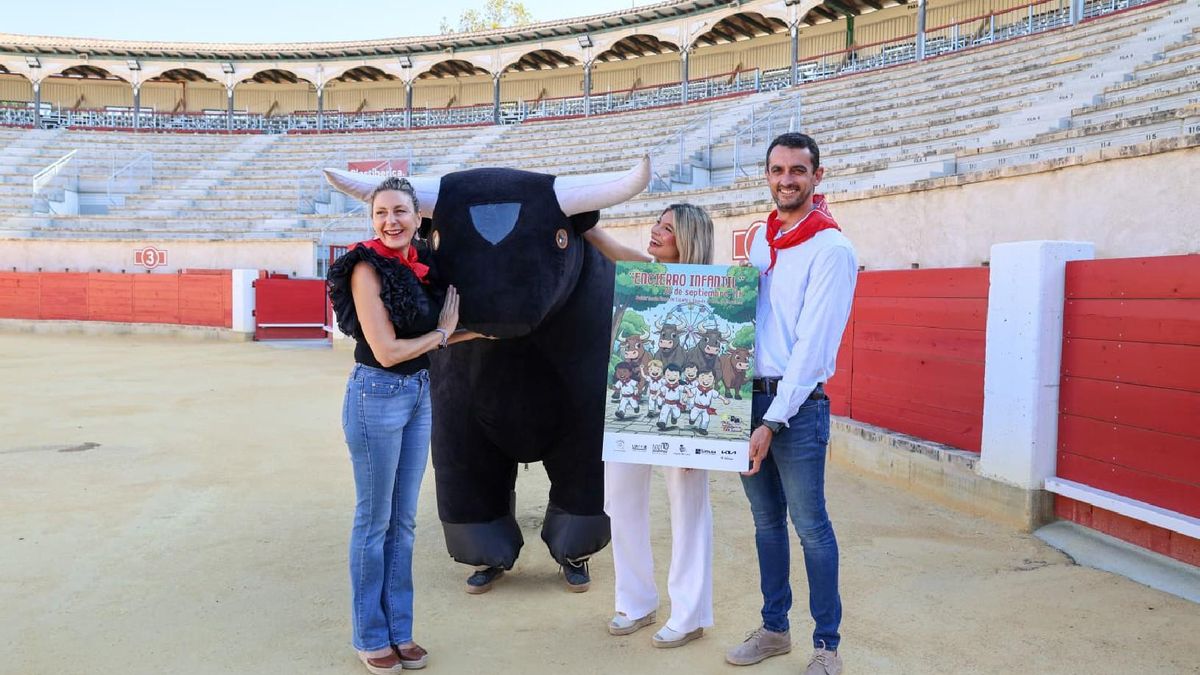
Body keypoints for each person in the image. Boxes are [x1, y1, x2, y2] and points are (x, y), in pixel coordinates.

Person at [326, 176, 481, 674]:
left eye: (400, 212)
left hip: (418, 395)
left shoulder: (416, 267)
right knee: (375, 522)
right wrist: (442, 333)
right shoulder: (366, 268)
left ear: (418, 219)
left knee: (405, 522)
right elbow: (390, 351)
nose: (390, 221)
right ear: (372, 220)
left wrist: (486, 330)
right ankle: (370, 635)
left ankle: (400, 631)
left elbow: (437, 338)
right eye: (381, 213)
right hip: (377, 393)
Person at [724, 133, 857, 675]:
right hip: (746, 398)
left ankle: (826, 646)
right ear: (767, 175)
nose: (786, 180)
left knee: (811, 526)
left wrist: (773, 420)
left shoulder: (832, 248)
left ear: (817, 177)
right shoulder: (762, 240)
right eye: (777, 170)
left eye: (798, 171)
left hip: (793, 408)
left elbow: (812, 347)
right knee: (765, 524)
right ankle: (775, 630)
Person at [584, 203, 717, 649]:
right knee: (620, 498)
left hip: (683, 408)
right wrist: (574, 218)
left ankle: (690, 613)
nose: (656, 232)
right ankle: (635, 601)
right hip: (633, 404)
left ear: (690, 239)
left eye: (668, 228)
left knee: (687, 503)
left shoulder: (712, 285)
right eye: (657, 224)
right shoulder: (642, 272)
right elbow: (607, 243)